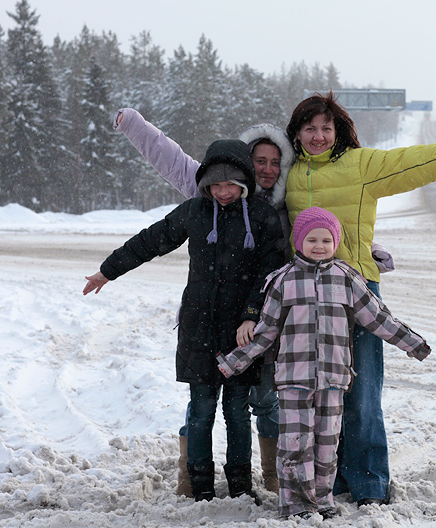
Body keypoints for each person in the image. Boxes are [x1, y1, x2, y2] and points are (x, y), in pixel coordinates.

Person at [113, 108, 396, 496]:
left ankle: (274, 472)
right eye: (259, 161)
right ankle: (188, 472)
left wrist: (366, 250)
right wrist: (133, 124)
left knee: (265, 399)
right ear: (246, 163)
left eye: (275, 162)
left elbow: (321, 233)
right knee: (203, 397)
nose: (267, 169)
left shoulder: (288, 201)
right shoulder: (217, 188)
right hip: (213, 319)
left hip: (272, 321)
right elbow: (170, 157)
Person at [284, 91, 436, 506]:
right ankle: (330, 481)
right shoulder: (289, 173)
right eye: (310, 128)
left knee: (361, 394)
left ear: (339, 131)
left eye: (326, 128)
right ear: (295, 133)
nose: (319, 136)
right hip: (306, 296)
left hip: (358, 289)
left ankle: (368, 485)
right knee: (320, 393)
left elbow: (420, 162)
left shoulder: (362, 165)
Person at [83, 139, 285, 502]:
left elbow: (268, 272)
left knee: (237, 413)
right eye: (216, 185)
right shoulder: (193, 211)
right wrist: (107, 271)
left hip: (242, 335)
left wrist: (250, 316)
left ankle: (240, 485)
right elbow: (150, 241)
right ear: (206, 183)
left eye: (232, 185)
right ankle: (199, 485)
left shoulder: (261, 216)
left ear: (244, 183)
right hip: (199, 331)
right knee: (201, 410)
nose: (224, 192)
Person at [217, 207, 430, 519]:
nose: (319, 246)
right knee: (294, 443)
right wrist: (233, 362)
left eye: (326, 240)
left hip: (333, 377)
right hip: (292, 378)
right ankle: (295, 505)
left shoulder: (347, 279)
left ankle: (322, 500)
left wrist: (413, 344)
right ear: (299, 241)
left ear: (336, 243)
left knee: (326, 444)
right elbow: (265, 331)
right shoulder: (283, 281)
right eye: (312, 239)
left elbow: (379, 318)